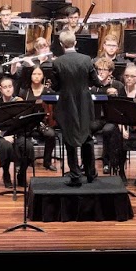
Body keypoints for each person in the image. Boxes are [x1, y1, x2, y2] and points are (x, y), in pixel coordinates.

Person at [53, 29, 97, 186]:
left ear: (61, 44)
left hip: (67, 104)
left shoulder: (57, 62)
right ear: (75, 42)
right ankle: (91, 173)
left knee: (69, 139)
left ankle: (75, 175)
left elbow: (56, 86)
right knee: (87, 137)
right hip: (85, 103)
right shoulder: (86, 59)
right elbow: (95, 82)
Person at [0, 75, 34, 188]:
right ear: (0, 89)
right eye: (5, 87)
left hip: (16, 134)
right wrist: (4, 136)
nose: (8, 89)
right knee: (7, 146)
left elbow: (23, 122)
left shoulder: (18, 103)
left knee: (28, 146)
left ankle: (21, 173)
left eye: (10, 86)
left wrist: (16, 134)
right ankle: (6, 174)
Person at [21, 64, 59, 170]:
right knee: (20, 135)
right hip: (28, 123)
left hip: (44, 123)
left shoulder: (49, 91)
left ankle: (47, 162)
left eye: (39, 74)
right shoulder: (25, 92)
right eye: (34, 74)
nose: (36, 76)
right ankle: (24, 162)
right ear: (30, 76)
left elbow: (55, 109)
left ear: (43, 76)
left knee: (51, 134)